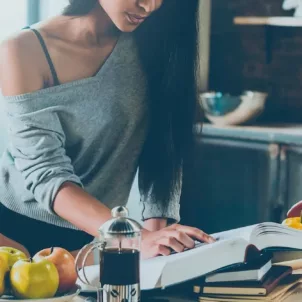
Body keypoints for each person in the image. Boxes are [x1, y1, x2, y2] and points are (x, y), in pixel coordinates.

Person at [0, 0, 215, 260]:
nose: (149, 5)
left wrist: (157, 240)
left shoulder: (155, 47)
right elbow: (45, 172)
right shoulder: (21, 50)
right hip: (9, 234)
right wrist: (132, 238)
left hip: (87, 243)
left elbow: (162, 147)